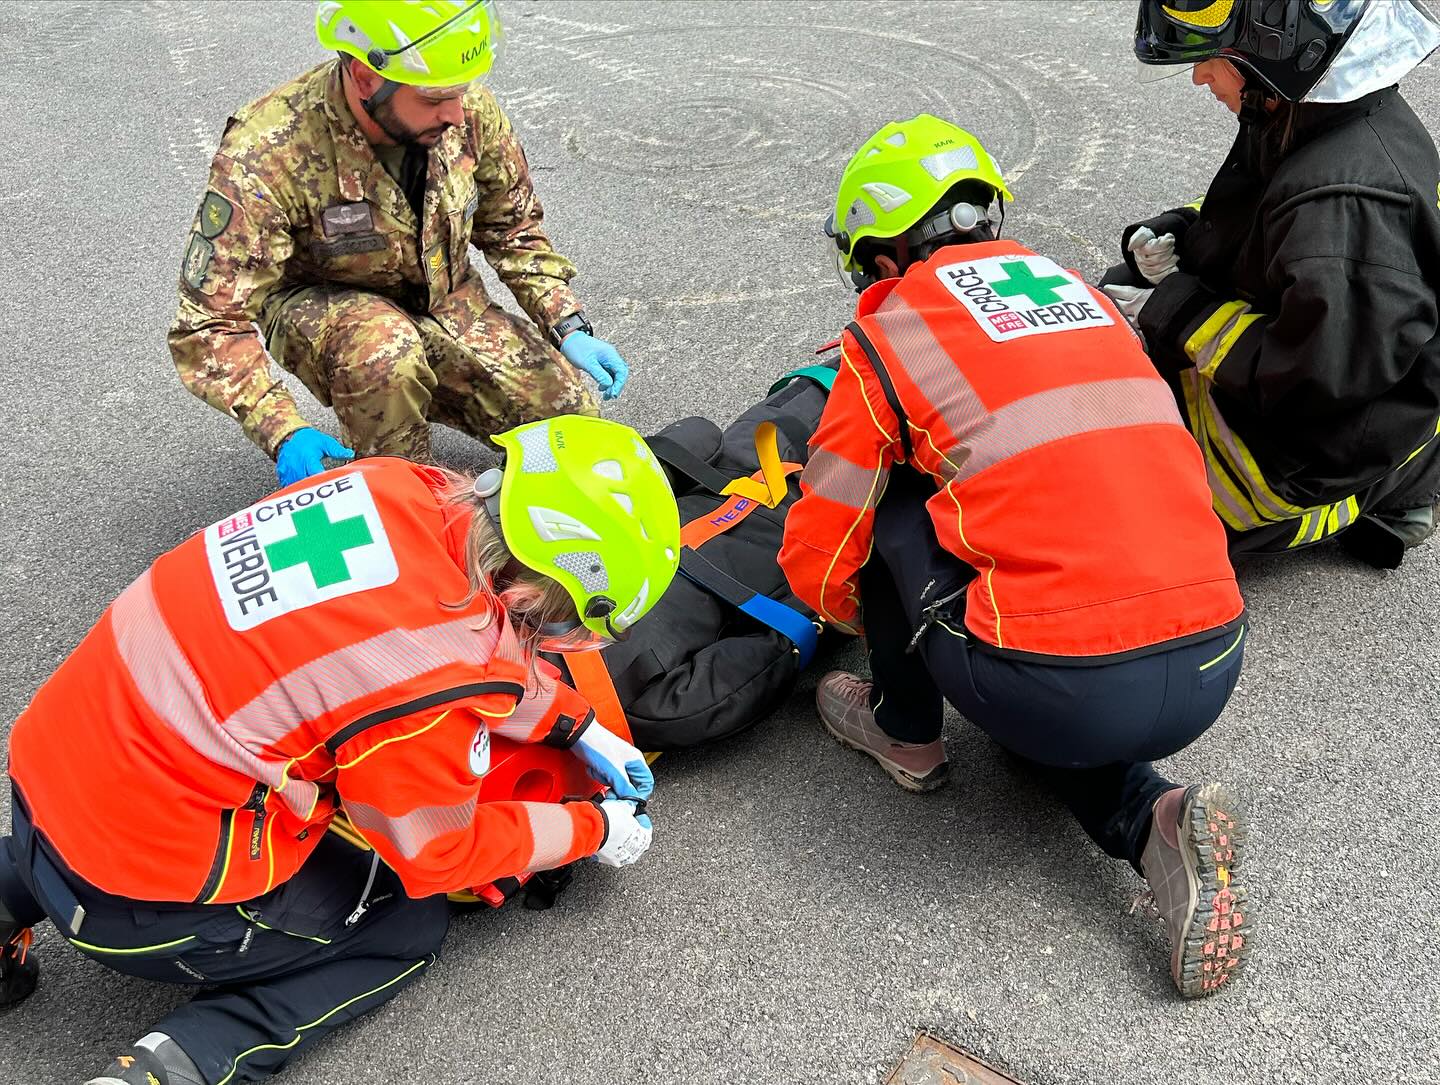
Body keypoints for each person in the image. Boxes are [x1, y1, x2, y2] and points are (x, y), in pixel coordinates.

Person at [0, 414, 680, 1084]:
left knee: (122, 798)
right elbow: (438, 848)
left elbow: (413, 643)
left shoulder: (393, 485)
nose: (567, 639)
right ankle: (175, 1064)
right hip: (144, 892)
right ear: (531, 592)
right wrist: (593, 828)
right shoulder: (426, 680)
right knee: (405, 926)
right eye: (574, 622)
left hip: (48, 775)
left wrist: (574, 724)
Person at [780, 116, 1253, 998]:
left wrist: (841, 614)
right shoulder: (1079, 291)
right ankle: (1152, 816)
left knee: (898, 505)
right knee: (1051, 666)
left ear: (882, 257)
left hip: (1064, 680)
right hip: (1214, 650)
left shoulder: (891, 331)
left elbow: (831, 516)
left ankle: (905, 732)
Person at [170, 0, 631, 489]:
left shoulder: (464, 108)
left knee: (572, 429)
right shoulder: (268, 150)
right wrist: (282, 429)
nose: (456, 113)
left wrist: (568, 324)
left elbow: (512, 228)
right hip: (333, 318)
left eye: (459, 93)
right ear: (367, 78)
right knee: (386, 358)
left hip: (448, 306)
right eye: (434, 99)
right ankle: (394, 485)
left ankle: (419, 394)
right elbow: (207, 322)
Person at [1102, 0, 1440, 569]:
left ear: (1281, 52)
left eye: (1213, 59)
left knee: (1109, 482)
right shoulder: (1307, 114)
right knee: (1122, 291)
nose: (1199, 76)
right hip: (1366, 359)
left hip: (1306, 450)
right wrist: (1183, 233)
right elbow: (1266, 219)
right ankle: (1405, 476)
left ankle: (1378, 493)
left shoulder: (1342, 202)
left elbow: (1311, 377)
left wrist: (1175, 308)